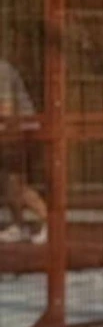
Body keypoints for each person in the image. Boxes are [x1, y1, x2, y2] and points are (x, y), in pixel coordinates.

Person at [0, 57, 48, 245]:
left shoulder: (1, 70)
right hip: (8, 132)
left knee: (16, 184)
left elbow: (5, 110)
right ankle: (18, 226)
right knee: (7, 182)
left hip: (20, 132)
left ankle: (50, 222)